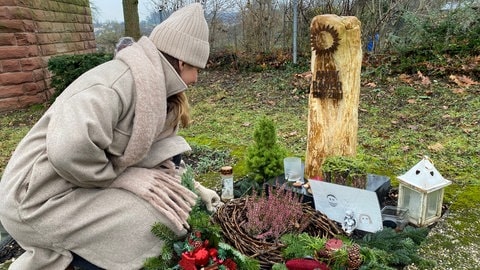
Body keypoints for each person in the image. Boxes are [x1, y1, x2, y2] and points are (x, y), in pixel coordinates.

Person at [0, 3, 221, 270]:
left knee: (174, 213)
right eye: (197, 69)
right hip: (37, 197)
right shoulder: (113, 85)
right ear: (182, 61)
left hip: (80, 183)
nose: (196, 79)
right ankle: (67, 261)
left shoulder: (155, 92)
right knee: (152, 223)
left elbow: (161, 154)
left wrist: (194, 189)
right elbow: (68, 151)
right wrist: (124, 178)